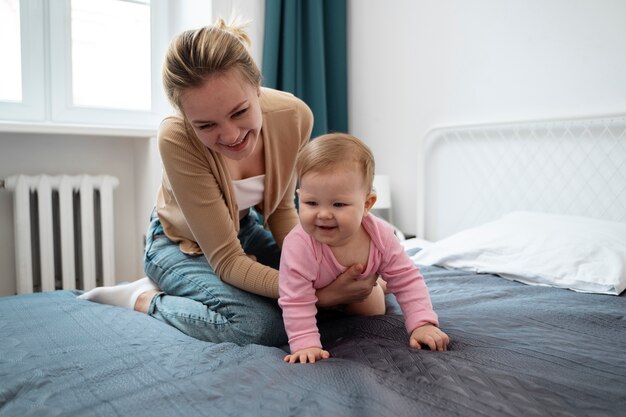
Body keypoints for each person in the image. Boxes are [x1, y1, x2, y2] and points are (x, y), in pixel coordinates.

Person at [78, 18, 378, 346]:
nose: (232, 136)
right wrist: (313, 291)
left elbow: (279, 209)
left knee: (356, 300)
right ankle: (143, 298)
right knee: (260, 326)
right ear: (186, 118)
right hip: (179, 244)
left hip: (242, 229)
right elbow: (227, 260)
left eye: (239, 112)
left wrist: (320, 262)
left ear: (257, 87)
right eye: (206, 125)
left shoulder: (294, 116)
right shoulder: (175, 138)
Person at [279, 133, 449, 364]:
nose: (324, 214)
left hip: (358, 289)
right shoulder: (298, 244)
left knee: (372, 312)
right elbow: (295, 299)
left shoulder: (380, 236)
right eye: (311, 203)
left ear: (367, 204)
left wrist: (422, 323)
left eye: (338, 204)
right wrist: (306, 343)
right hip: (314, 294)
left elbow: (407, 278)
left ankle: (378, 284)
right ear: (299, 198)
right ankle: (378, 282)